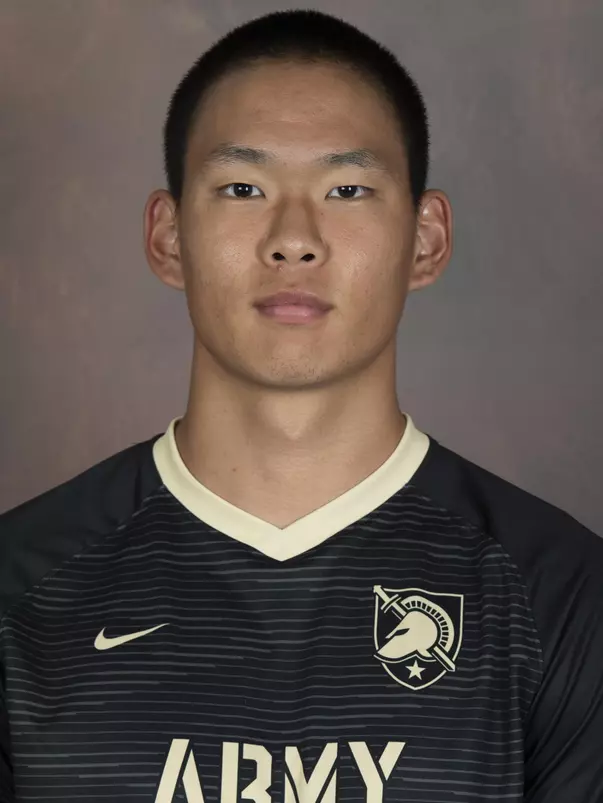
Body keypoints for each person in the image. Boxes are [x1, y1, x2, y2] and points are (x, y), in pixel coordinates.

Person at [0, 8, 602, 802]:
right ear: (168, 237)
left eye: (346, 188)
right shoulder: (21, 587)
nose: (292, 238)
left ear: (424, 240)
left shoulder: (561, 594)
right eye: (242, 187)